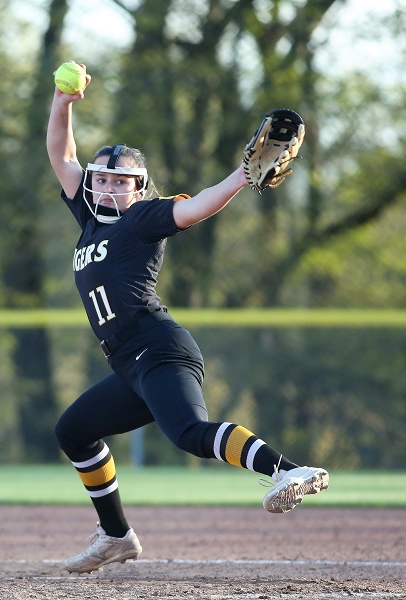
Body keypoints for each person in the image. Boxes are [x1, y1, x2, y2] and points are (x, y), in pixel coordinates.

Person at [46, 68, 329, 575]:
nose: (109, 187)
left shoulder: (141, 219)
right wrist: (62, 101)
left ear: (139, 189)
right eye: (103, 178)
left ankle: (290, 471)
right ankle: (116, 536)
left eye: (121, 181)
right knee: (75, 430)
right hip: (129, 364)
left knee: (189, 434)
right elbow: (61, 155)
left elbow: (196, 208)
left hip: (158, 349)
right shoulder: (88, 219)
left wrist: (242, 177)